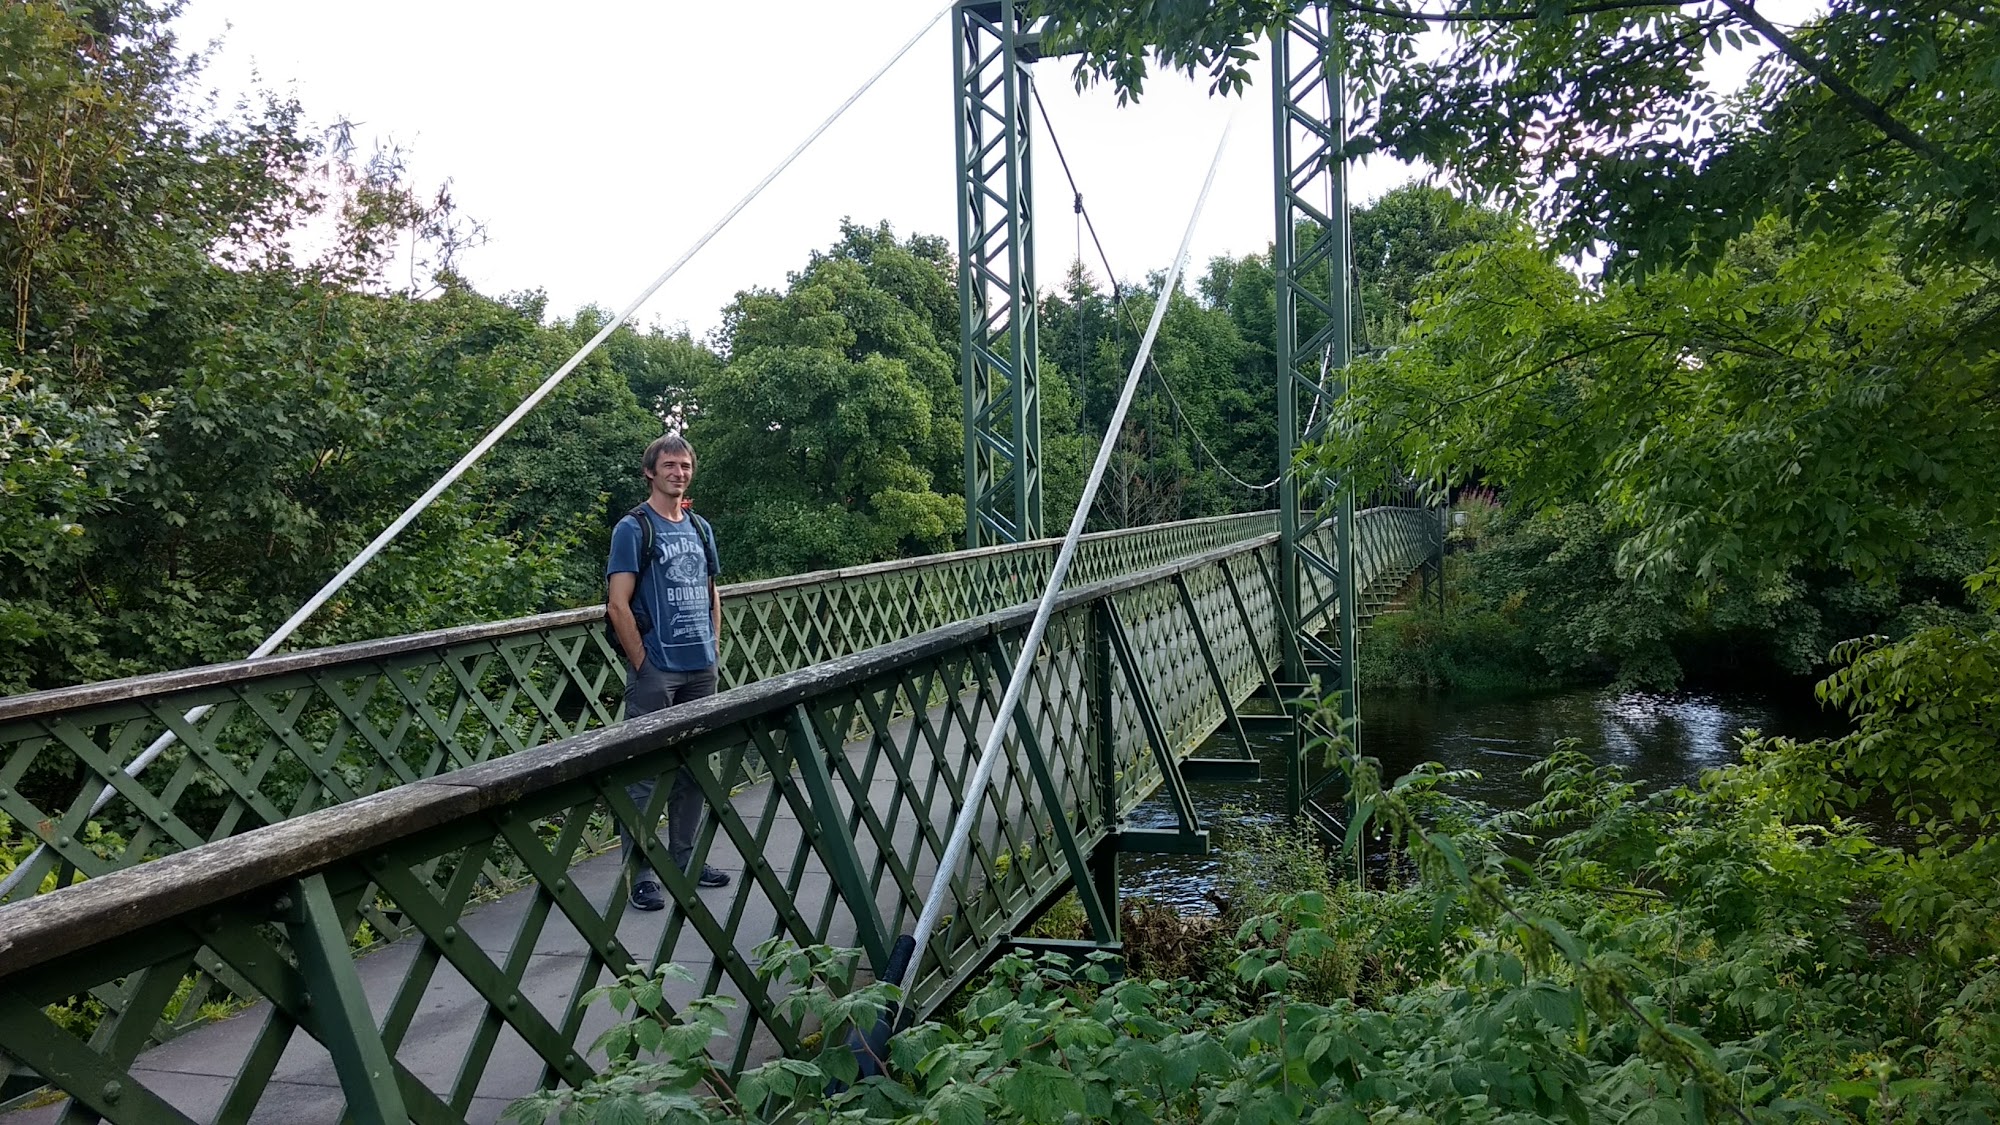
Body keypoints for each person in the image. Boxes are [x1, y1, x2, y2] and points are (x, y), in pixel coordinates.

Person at [605, 433, 729, 909]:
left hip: (700, 667)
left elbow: (712, 589)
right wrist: (644, 665)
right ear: (650, 472)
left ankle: (686, 860)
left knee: (693, 768)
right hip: (658, 669)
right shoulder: (633, 528)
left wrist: (712, 647)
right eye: (670, 466)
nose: (679, 473)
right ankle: (639, 875)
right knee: (642, 774)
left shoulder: (699, 527)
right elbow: (619, 604)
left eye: (685, 466)